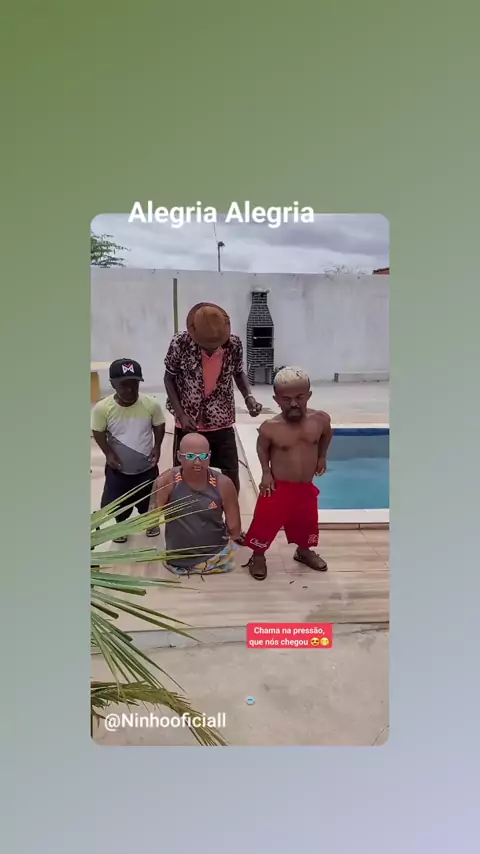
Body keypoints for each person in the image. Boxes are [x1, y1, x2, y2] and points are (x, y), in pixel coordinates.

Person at [243, 367, 332, 580]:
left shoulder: (320, 420)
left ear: (309, 395)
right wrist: (266, 472)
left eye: (300, 397)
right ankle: (258, 556)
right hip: (278, 486)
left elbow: (327, 434)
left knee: (306, 521)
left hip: (305, 486)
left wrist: (322, 456)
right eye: (286, 399)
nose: (293, 403)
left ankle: (304, 551)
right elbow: (262, 448)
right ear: (277, 400)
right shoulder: (271, 427)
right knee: (265, 522)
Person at [164, 302, 262, 494]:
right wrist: (181, 414)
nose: (210, 349)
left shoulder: (233, 344)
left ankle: (228, 509)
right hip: (189, 422)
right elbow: (169, 378)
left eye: (215, 344)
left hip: (221, 421)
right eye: (206, 344)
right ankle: (188, 509)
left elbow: (238, 373)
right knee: (183, 475)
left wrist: (248, 397)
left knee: (230, 474)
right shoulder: (180, 343)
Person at [91, 358, 166, 544]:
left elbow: (159, 424)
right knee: (118, 501)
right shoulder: (103, 408)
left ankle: (150, 523)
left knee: (150, 499)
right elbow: (98, 431)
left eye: (135, 385)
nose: (130, 390)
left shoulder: (151, 404)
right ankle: (121, 526)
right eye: (124, 385)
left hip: (146, 467)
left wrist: (157, 446)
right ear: (112, 384)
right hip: (118, 468)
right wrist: (108, 453)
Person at [152, 433, 243, 576]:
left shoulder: (166, 481)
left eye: (203, 456)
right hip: (209, 557)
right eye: (190, 456)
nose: (197, 462)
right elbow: (235, 530)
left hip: (193, 556)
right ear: (179, 456)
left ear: (210, 456)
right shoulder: (222, 483)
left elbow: (152, 519)